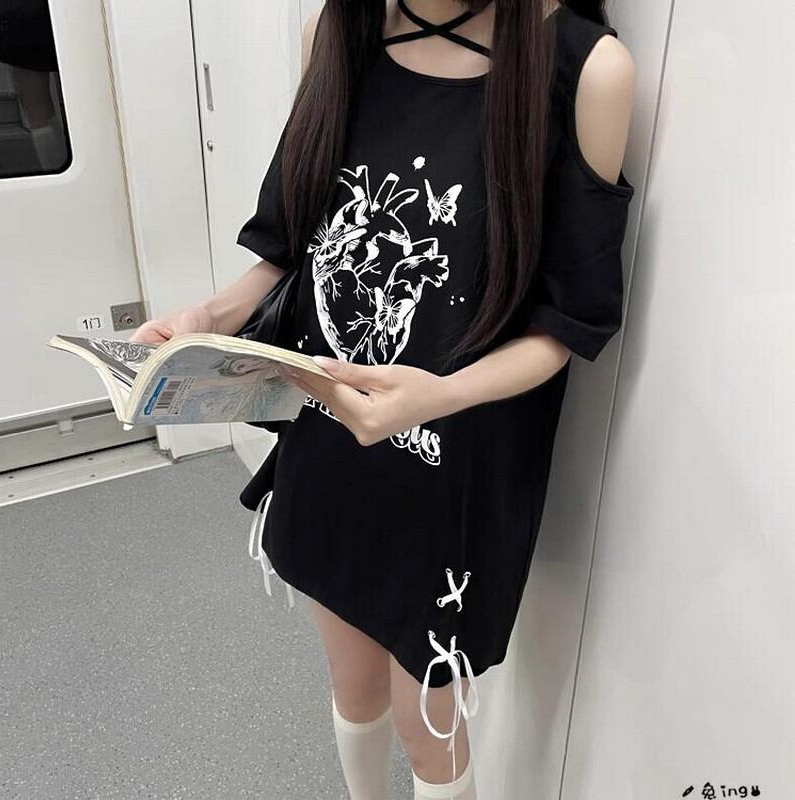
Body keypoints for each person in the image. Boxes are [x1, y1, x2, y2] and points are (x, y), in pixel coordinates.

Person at [131, 1, 636, 798]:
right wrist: (210, 318)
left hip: (455, 464)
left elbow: (568, 324)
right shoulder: (339, 31)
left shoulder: (585, 70)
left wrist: (443, 395)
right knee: (354, 683)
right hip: (329, 435)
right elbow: (292, 241)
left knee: (427, 727)